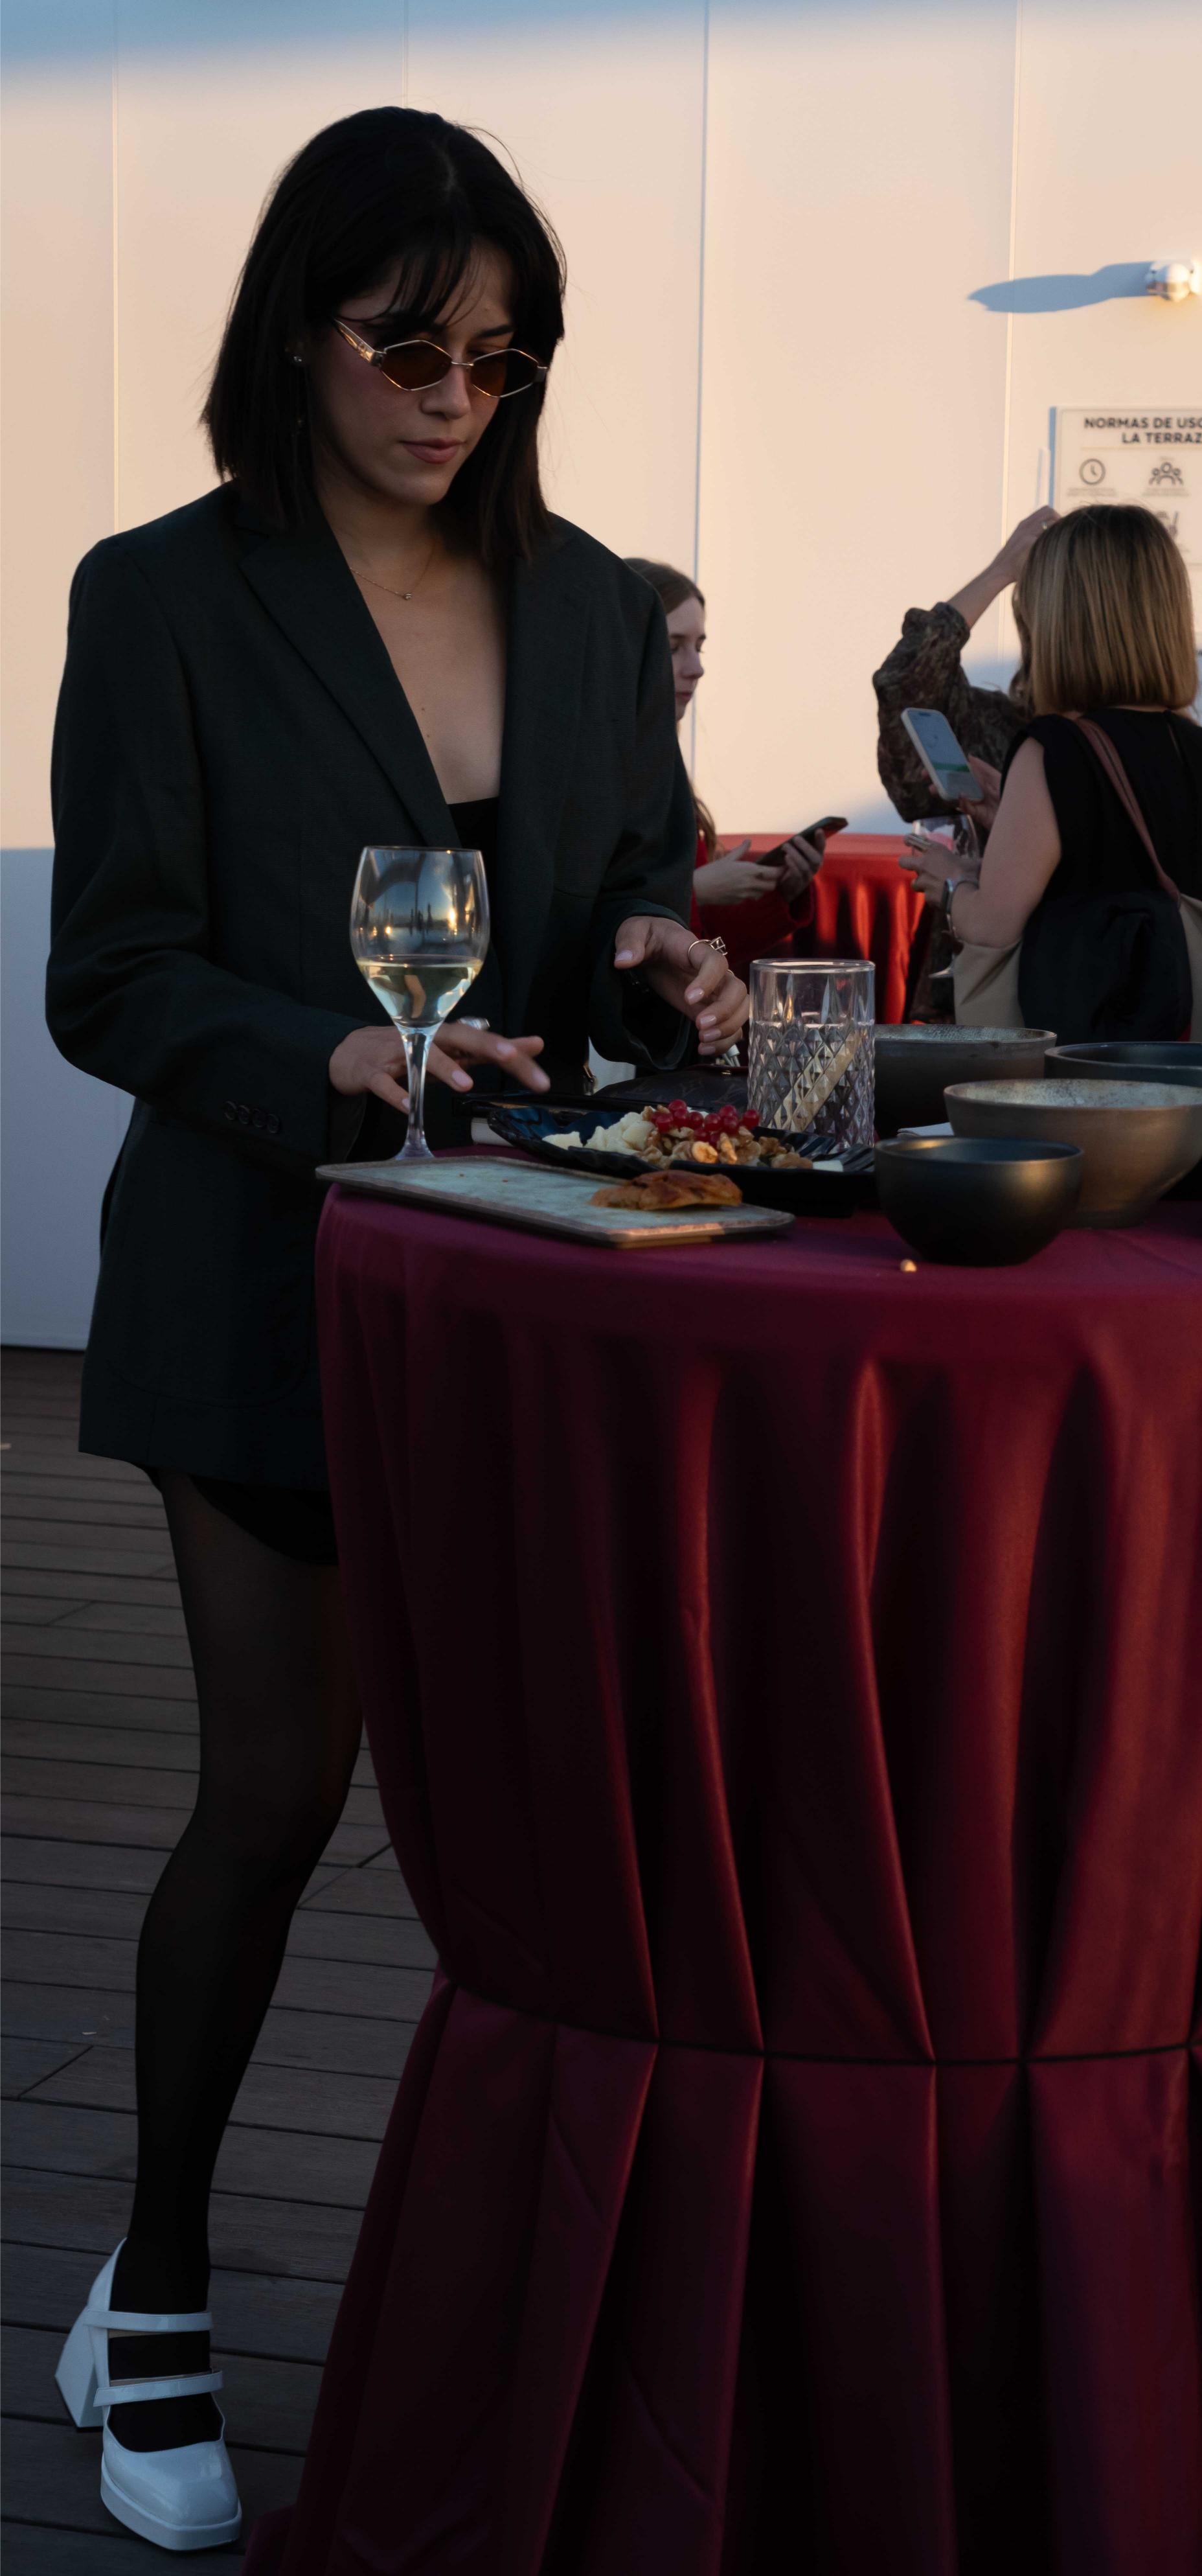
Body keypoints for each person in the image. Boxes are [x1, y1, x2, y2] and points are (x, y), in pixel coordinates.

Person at [45, 106, 745, 2553]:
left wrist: (659, 956)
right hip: (259, 1278)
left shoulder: (589, 601)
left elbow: (628, 892)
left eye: (501, 356)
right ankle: (150, 2285)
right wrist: (317, 1053)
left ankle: (549, 2301)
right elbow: (112, 971)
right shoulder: (163, 595)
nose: (457, 395)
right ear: (294, 332)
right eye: (408, 345)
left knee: (546, 1808)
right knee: (273, 1790)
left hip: (527, 1288)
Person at [902, 505, 1202, 1037]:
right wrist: (1012, 812)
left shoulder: (1055, 748)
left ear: (1057, 621)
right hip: (1195, 1062)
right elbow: (1120, 870)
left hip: (1085, 1065)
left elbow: (992, 927)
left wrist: (952, 883)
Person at [872, 506, 1057, 1013]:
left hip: (1068, 1002)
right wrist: (1000, 573)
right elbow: (905, 678)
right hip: (978, 999)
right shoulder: (1006, 727)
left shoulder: (1167, 747)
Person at [625, 556, 831, 980]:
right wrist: (697, 889)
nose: (696, 668)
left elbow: (706, 947)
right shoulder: (597, 772)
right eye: (673, 646)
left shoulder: (659, 758)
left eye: (698, 647)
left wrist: (777, 894)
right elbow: (585, 932)